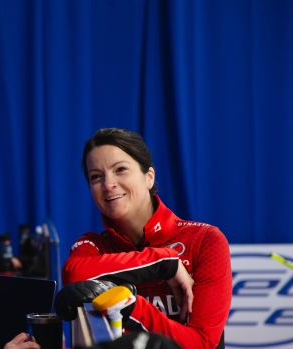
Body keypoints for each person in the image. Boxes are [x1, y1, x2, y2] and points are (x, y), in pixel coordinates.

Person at [55, 128, 231, 348]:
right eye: (96, 176)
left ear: (149, 177)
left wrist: (128, 304)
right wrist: (162, 261)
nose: (108, 185)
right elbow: (74, 273)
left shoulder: (203, 240)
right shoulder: (95, 245)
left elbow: (202, 344)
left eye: (120, 169)